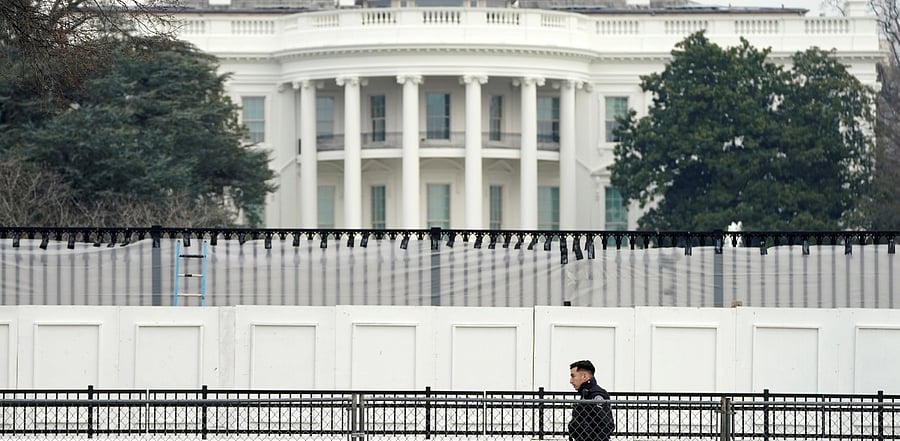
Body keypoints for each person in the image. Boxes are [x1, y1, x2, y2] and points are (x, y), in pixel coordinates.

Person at [568, 360, 616, 441]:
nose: (571, 381)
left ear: (584, 376)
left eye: (573, 376)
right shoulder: (586, 393)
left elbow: (606, 424)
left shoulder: (596, 395)